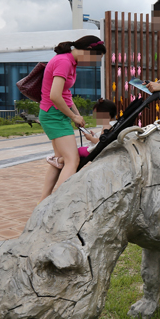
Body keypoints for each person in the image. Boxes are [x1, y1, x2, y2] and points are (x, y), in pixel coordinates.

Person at [38, 35, 106, 202]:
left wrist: (77, 115)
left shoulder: (69, 61)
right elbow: (55, 96)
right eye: (95, 58)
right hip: (53, 115)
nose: (94, 63)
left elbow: (65, 94)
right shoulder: (64, 62)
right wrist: (73, 116)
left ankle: (44, 202)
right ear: (89, 51)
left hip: (56, 114)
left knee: (59, 160)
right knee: (72, 159)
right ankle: (56, 204)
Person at [50, 98, 119, 164]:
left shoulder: (107, 126)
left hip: (94, 151)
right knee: (76, 151)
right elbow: (103, 137)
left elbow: (101, 142)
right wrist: (94, 135)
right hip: (100, 150)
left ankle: (59, 161)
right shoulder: (115, 124)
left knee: (76, 152)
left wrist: (91, 138)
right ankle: (60, 159)